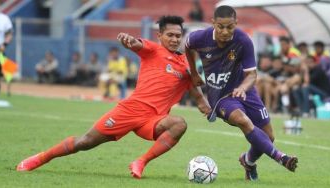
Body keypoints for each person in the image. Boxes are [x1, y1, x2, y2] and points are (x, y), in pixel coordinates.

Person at [16, 15, 211, 179]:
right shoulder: (153, 49)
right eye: (170, 35)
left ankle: (141, 162)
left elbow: (198, 96)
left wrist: (211, 109)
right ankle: (41, 158)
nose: (175, 39)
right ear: (159, 35)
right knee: (85, 142)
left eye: (178, 35)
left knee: (179, 124)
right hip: (130, 110)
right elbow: (136, 44)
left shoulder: (186, 66)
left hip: (154, 120)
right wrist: (128, 40)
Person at [185, 5, 298, 181]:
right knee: (242, 120)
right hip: (221, 96)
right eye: (220, 26)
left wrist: (242, 88)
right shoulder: (200, 37)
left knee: (268, 136)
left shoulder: (243, 41)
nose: (225, 31)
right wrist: (193, 72)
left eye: (230, 26)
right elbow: (187, 45)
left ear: (236, 23)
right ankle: (282, 158)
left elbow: (252, 74)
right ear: (213, 23)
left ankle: (248, 161)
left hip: (246, 91)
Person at [0, 0, 13, 98]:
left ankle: (0, 90)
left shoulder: (4, 19)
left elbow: (9, 34)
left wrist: (5, 44)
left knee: (0, 73)